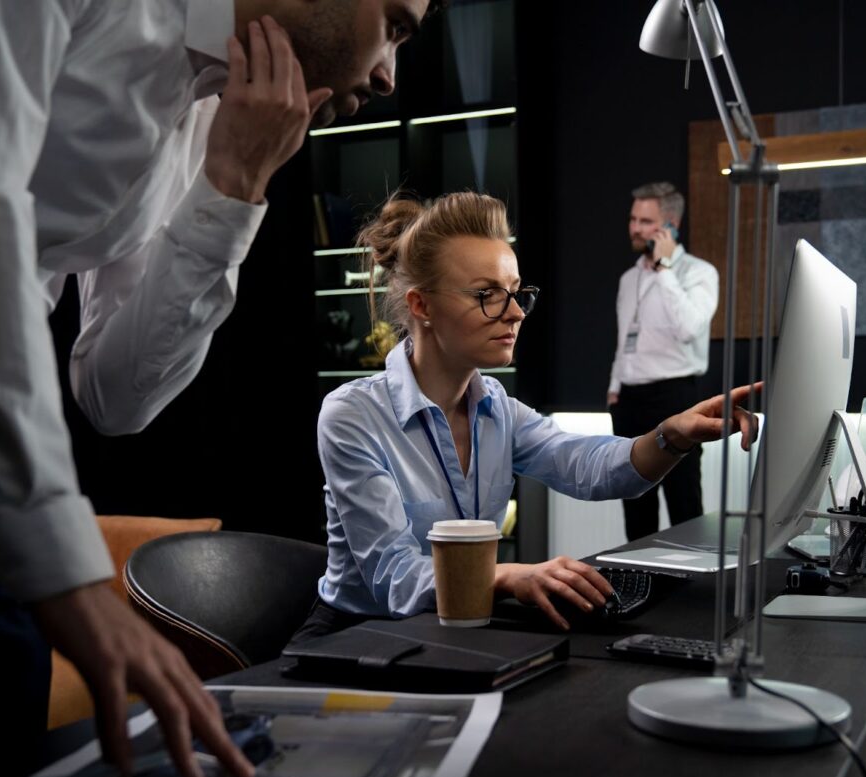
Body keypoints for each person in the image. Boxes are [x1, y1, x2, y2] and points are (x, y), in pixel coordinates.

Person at [0, 1, 438, 777]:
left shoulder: (209, 117)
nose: (387, 75)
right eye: (395, 27)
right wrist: (69, 575)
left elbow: (114, 394)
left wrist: (234, 186)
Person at [289, 192, 757, 641]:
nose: (515, 314)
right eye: (486, 294)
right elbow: (394, 577)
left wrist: (670, 435)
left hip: (456, 626)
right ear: (421, 305)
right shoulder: (353, 414)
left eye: (516, 293)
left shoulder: (497, 408)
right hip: (355, 636)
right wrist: (510, 576)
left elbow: (589, 466)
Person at [607, 181, 720, 541]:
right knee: (635, 504)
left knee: (684, 502)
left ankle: (692, 590)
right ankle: (639, 586)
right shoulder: (628, 279)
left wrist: (666, 267)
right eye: (632, 218)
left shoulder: (699, 273)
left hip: (675, 396)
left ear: (669, 226)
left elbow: (689, 328)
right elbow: (625, 337)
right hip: (629, 399)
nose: (634, 228)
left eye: (645, 221)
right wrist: (614, 389)